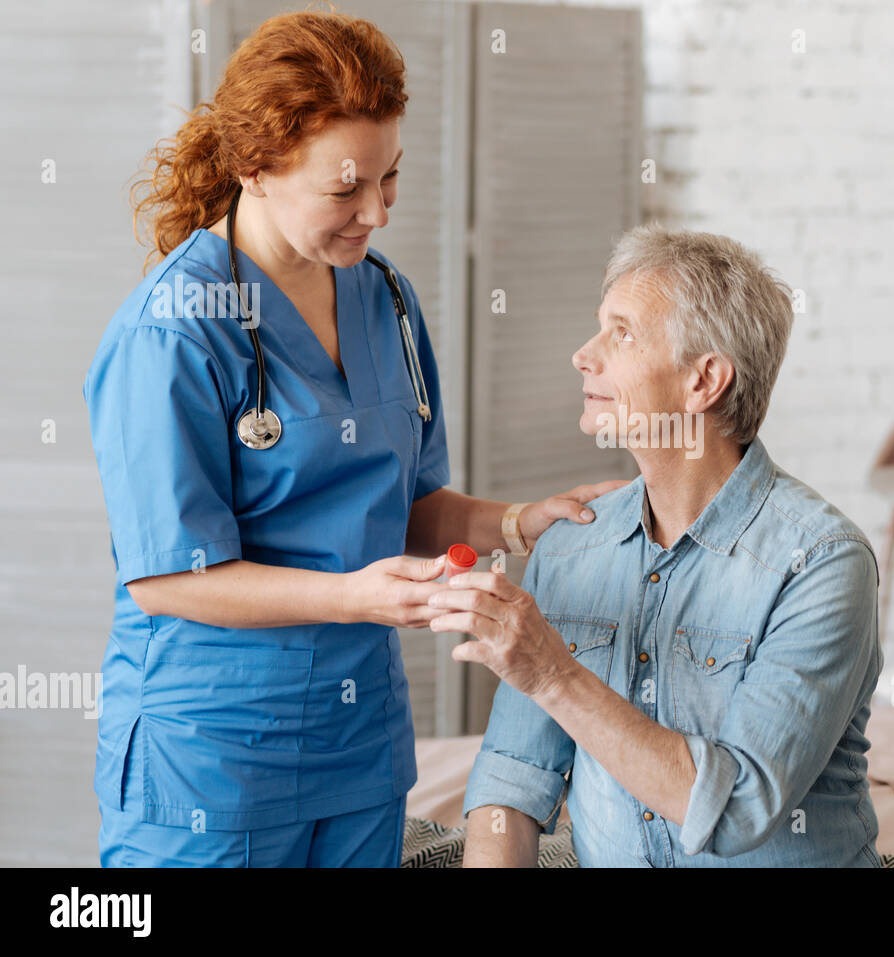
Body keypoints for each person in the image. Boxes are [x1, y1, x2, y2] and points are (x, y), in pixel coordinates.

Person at [83, 10, 623, 868]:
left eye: (390, 178)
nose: (376, 211)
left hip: (359, 746)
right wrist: (359, 597)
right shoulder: (174, 331)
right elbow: (166, 578)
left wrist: (519, 521)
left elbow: (406, 506)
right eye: (345, 188)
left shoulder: (385, 300)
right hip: (214, 757)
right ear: (255, 169)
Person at [434, 224, 885, 866]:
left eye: (621, 334)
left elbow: (737, 809)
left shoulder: (822, 562)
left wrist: (555, 673)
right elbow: (512, 782)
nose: (583, 355)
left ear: (703, 382)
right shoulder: (570, 545)